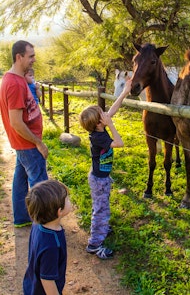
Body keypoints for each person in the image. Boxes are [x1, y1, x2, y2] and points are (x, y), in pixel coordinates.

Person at [79, 78, 132, 259]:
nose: (107, 115)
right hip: (99, 179)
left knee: (102, 206)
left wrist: (125, 92)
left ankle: (102, 227)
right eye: (103, 116)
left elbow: (113, 110)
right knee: (101, 209)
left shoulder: (98, 129)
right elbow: (119, 143)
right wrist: (111, 124)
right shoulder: (98, 137)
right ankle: (94, 244)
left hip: (101, 177)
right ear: (99, 123)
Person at [0, 40, 48, 227]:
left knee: (20, 182)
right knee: (41, 186)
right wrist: (38, 142)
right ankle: (45, 226)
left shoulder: (18, 79)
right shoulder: (14, 84)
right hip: (27, 144)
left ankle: (21, 218)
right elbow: (16, 122)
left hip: (23, 144)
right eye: (31, 56)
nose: (34, 60)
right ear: (18, 57)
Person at [23, 179, 72, 295]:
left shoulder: (38, 223)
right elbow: (47, 280)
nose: (70, 201)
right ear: (59, 211)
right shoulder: (52, 245)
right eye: (67, 199)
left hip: (31, 283)